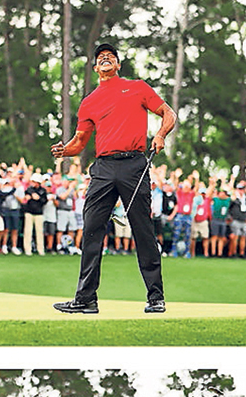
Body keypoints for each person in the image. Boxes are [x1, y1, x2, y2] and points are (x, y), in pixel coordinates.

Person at [50, 42, 177, 315]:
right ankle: (86, 299)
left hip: (134, 164)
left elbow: (169, 113)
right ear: (96, 68)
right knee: (92, 231)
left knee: (143, 231)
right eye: (100, 57)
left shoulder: (137, 87)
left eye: (111, 56)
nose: (105, 58)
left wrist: (160, 135)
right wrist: (65, 150)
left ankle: (156, 298)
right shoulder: (89, 102)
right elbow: (80, 142)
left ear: (118, 65)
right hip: (103, 168)